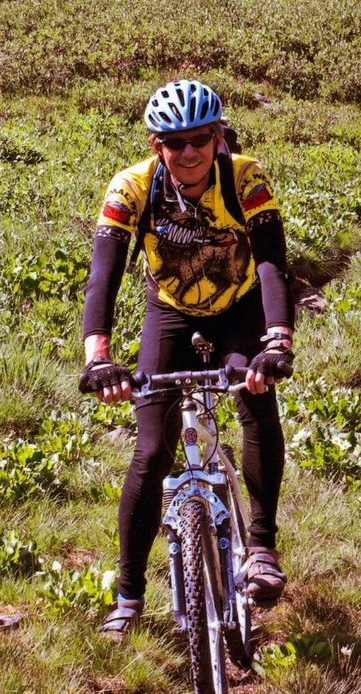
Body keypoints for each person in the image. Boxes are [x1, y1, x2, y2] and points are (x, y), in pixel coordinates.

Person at [79, 79, 294, 640]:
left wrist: (277, 341)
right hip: (170, 312)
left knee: (256, 402)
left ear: (218, 137)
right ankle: (129, 597)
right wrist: (98, 357)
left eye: (201, 138)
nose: (190, 151)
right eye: (176, 143)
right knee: (152, 450)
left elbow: (271, 262)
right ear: (158, 146)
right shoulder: (131, 188)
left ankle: (262, 547)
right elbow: (103, 276)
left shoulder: (244, 178)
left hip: (239, 309)